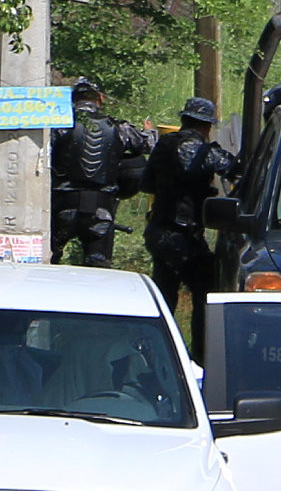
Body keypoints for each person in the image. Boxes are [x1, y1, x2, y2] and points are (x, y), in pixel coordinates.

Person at [141, 98, 240, 321]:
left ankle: (159, 349)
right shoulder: (205, 151)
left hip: (160, 232)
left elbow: (145, 184)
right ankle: (201, 351)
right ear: (205, 126)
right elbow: (235, 169)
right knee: (205, 296)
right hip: (186, 236)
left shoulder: (163, 145)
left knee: (163, 300)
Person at [50, 81, 148, 267]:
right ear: (100, 99)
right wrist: (149, 130)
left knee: (47, 265)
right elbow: (148, 144)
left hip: (62, 206)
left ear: (73, 100)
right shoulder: (118, 127)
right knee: (100, 269)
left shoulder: (59, 126)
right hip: (101, 209)